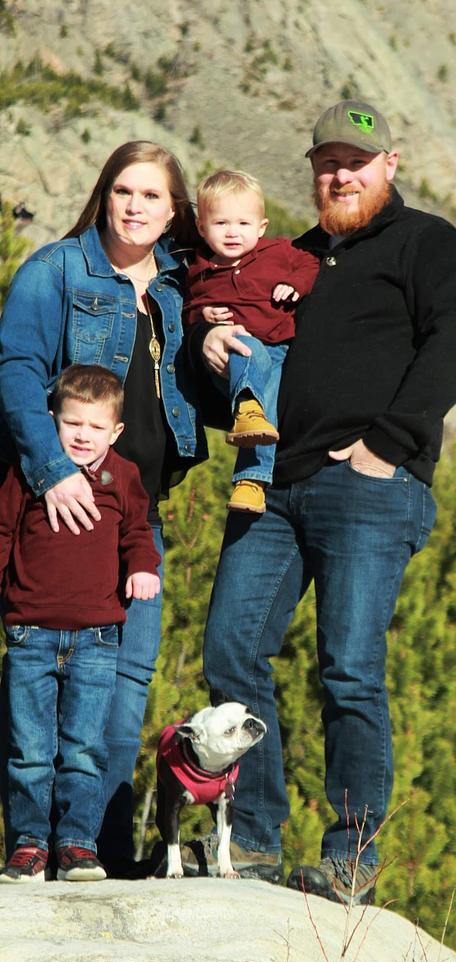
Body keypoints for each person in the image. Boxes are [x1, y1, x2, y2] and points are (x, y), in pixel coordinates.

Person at [193, 100, 456, 904]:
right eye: (328, 164)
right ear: (313, 171)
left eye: (356, 162)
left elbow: (451, 348)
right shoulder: (290, 258)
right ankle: (254, 839)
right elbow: (241, 371)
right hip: (272, 485)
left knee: (349, 669)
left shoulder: (429, 243)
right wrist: (210, 347)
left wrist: (384, 447)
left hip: (368, 485)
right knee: (231, 653)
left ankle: (350, 857)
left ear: (391, 163)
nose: (341, 176)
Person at [0, 140, 205, 875]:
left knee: (122, 692)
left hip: (136, 518)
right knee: (38, 699)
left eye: (152, 195)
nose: (134, 206)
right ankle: (32, 844)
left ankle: (98, 853)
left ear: (174, 210)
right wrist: (54, 470)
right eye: (123, 190)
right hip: (61, 509)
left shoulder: (181, 287)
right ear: (103, 194)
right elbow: (16, 369)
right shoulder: (57, 269)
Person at [0, 365, 160, 883]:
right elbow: (3, 532)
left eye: (95, 427)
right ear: (52, 419)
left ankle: (76, 846)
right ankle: (29, 846)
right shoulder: (27, 472)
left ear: (116, 431)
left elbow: (138, 532)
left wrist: (143, 567)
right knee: (29, 751)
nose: (83, 436)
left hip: (96, 639)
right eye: (72, 424)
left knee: (84, 750)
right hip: (30, 633)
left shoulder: (125, 476)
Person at [184, 169, 319, 513]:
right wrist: (203, 315)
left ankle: (251, 482)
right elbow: (187, 310)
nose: (233, 232)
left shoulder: (278, 252)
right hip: (237, 353)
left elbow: (309, 263)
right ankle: (247, 408)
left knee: (266, 414)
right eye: (221, 223)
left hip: (279, 348)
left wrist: (295, 284)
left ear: (261, 227)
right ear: (202, 227)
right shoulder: (199, 270)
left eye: (243, 224)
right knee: (245, 346)